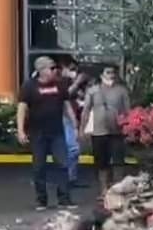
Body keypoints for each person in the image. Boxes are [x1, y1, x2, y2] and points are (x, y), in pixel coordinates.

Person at [17, 56, 78, 210]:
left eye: (55, 68)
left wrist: (74, 124)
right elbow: (22, 108)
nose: (55, 70)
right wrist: (21, 130)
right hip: (38, 133)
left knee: (63, 164)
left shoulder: (60, 85)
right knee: (39, 167)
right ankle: (41, 200)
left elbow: (66, 105)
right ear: (41, 70)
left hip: (57, 131)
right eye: (51, 68)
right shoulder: (29, 87)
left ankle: (64, 199)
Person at [81, 65, 131, 196]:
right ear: (102, 75)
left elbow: (128, 111)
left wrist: (129, 129)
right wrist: (82, 129)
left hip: (117, 132)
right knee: (101, 163)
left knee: (118, 162)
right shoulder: (93, 91)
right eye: (108, 72)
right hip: (99, 132)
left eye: (113, 72)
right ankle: (103, 190)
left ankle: (118, 190)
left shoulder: (122, 91)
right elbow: (86, 111)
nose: (111, 75)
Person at [60, 59, 88, 188]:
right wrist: (77, 82)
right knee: (72, 148)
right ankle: (68, 178)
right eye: (71, 69)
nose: (74, 72)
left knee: (74, 149)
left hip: (74, 118)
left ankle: (71, 178)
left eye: (75, 69)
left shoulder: (79, 83)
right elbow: (66, 95)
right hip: (65, 118)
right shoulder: (61, 81)